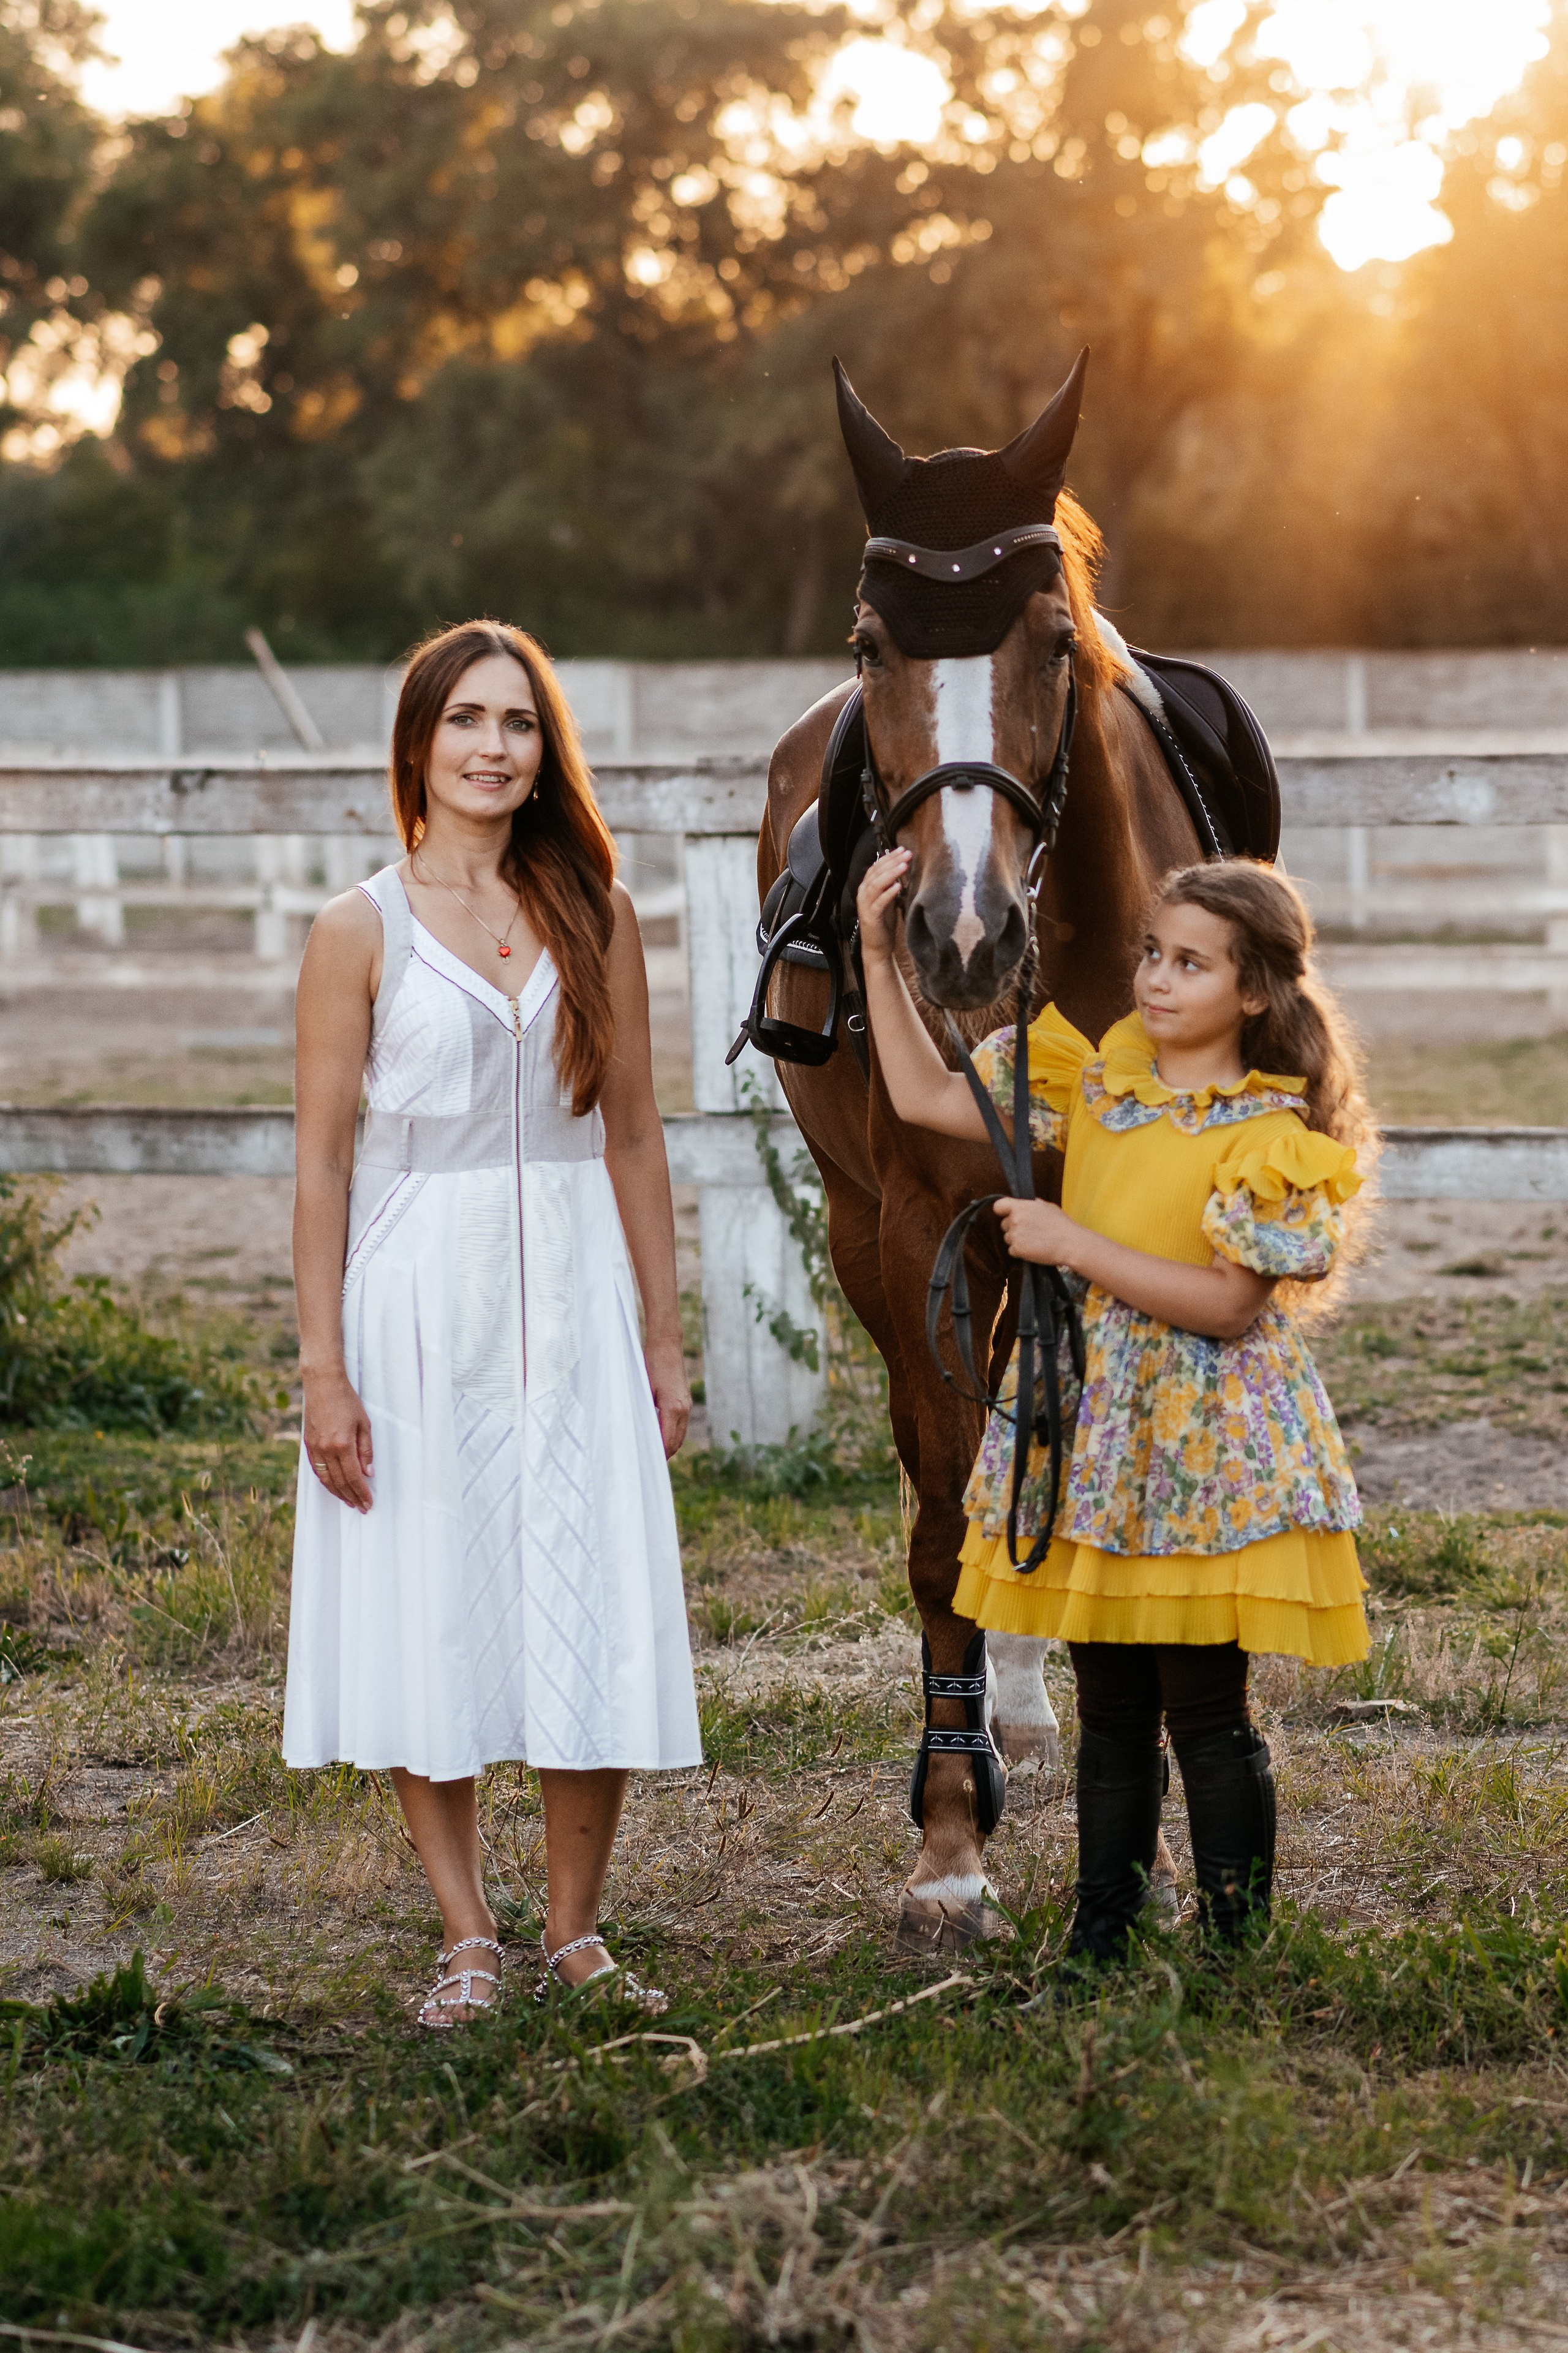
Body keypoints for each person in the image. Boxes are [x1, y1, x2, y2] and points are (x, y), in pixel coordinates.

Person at [283, 619, 701, 2025]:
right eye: (466, 720)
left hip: (577, 1284)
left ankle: (577, 1929)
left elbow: (635, 1133)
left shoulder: (598, 912)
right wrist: (322, 1367)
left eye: (518, 724)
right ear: (419, 744)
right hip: (413, 1298)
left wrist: (661, 1331)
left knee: (589, 1586)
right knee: (436, 1599)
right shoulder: (360, 927)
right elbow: (323, 1160)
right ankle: (468, 1930)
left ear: (545, 751)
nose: (492, 747)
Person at [856, 852, 1374, 1960]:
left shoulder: (1267, 1137)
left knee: (1205, 1710)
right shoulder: (1096, 1085)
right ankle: (1103, 1936)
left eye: (1191, 963)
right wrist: (873, 952)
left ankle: (1236, 1944)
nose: (1156, 979)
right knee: (1111, 1714)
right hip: (1096, 1440)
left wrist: (1071, 1243)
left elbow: (1231, 1303)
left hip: (1199, 1452)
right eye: (1152, 953)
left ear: (1254, 991)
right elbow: (923, 1097)